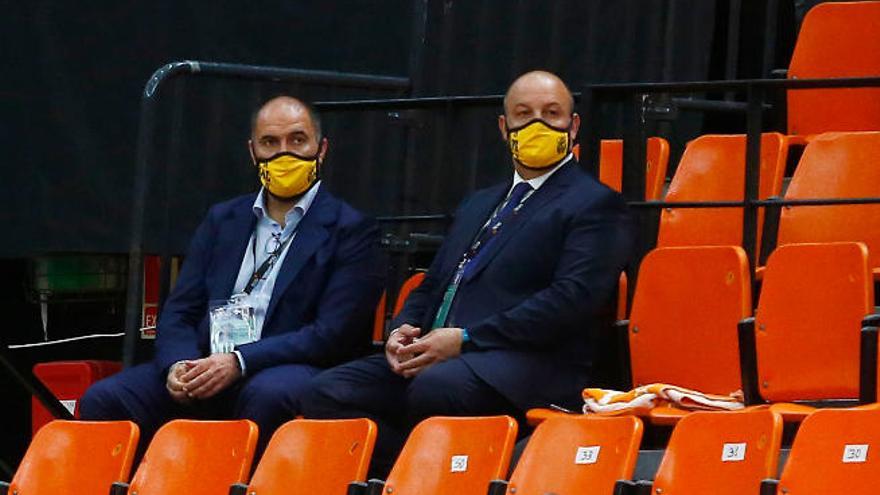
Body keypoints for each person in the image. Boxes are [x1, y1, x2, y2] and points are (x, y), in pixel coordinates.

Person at [300, 70, 635, 476]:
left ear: (574, 125)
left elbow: (570, 302)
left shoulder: (594, 204)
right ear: (503, 127)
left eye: (552, 114)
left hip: (529, 363)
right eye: (523, 114)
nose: (537, 125)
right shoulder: (479, 203)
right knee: (326, 393)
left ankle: (436, 475)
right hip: (442, 356)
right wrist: (403, 328)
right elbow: (435, 283)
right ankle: (413, 473)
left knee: (437, 387)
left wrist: (465, 340)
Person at [81, 95, 385, 454]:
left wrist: (240, 361)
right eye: (270, 143)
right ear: (252, 151)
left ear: (321, 149)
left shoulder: (352, 229)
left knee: (265, 394)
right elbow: (180, 310)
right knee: (105, 399)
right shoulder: (222, 219)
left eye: (297, 140)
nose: (284, 154)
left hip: (288, 367)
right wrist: (177, 365)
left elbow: (331, 335)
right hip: (208, 361)